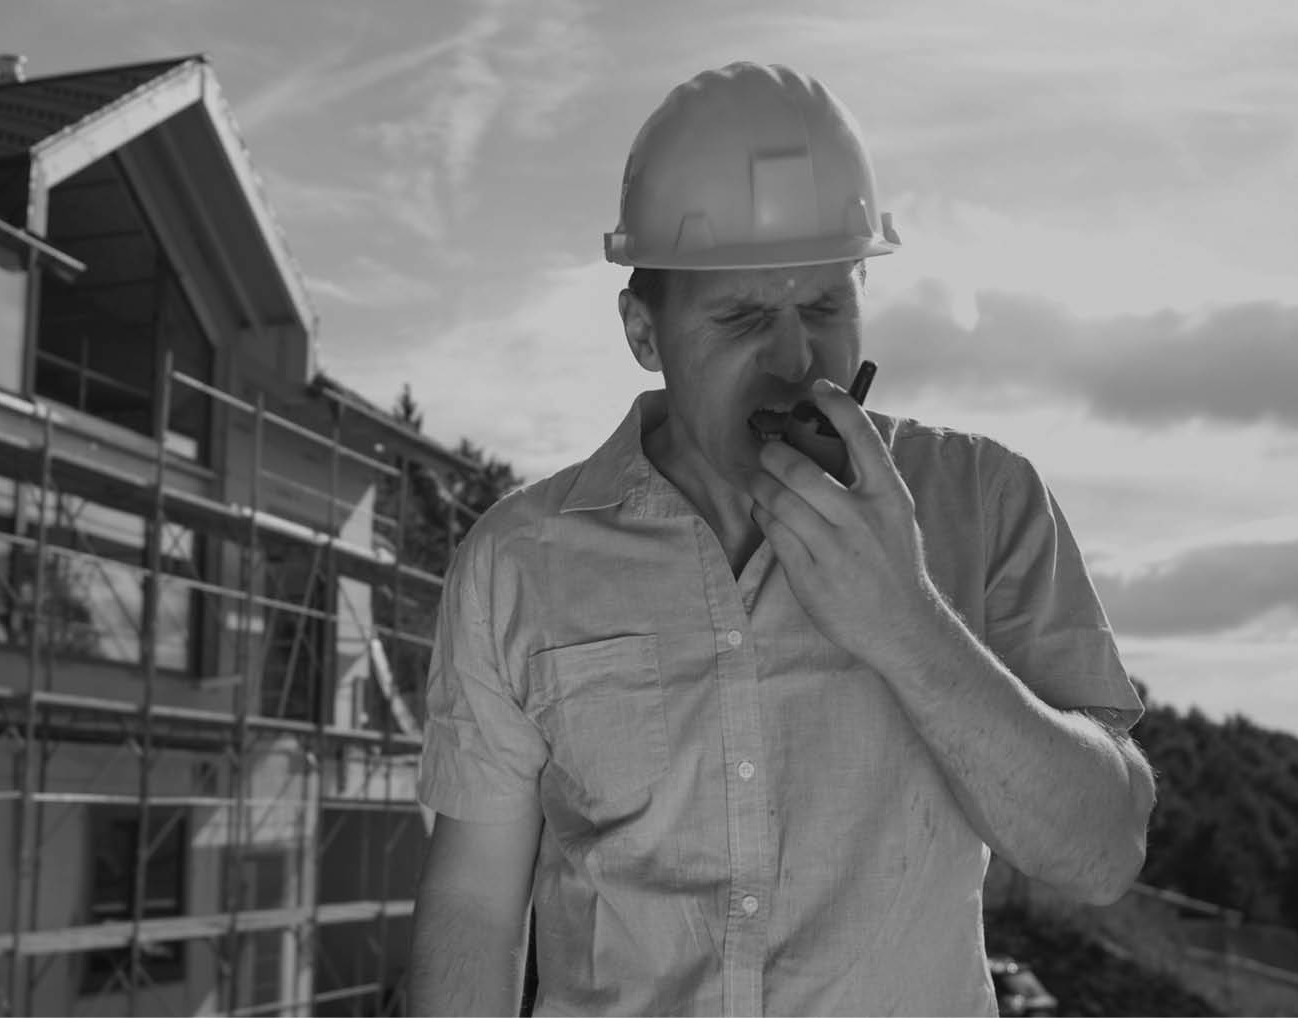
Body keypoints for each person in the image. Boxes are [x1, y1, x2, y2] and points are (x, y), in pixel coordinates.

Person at [407, 62, 1155, 1016]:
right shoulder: (518, 564)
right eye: (744, 317)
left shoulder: (986, 500)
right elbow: (474, 903)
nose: (798, 360)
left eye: (827, 308)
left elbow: (1100, 855)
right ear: (644, 330)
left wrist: (907, 624)